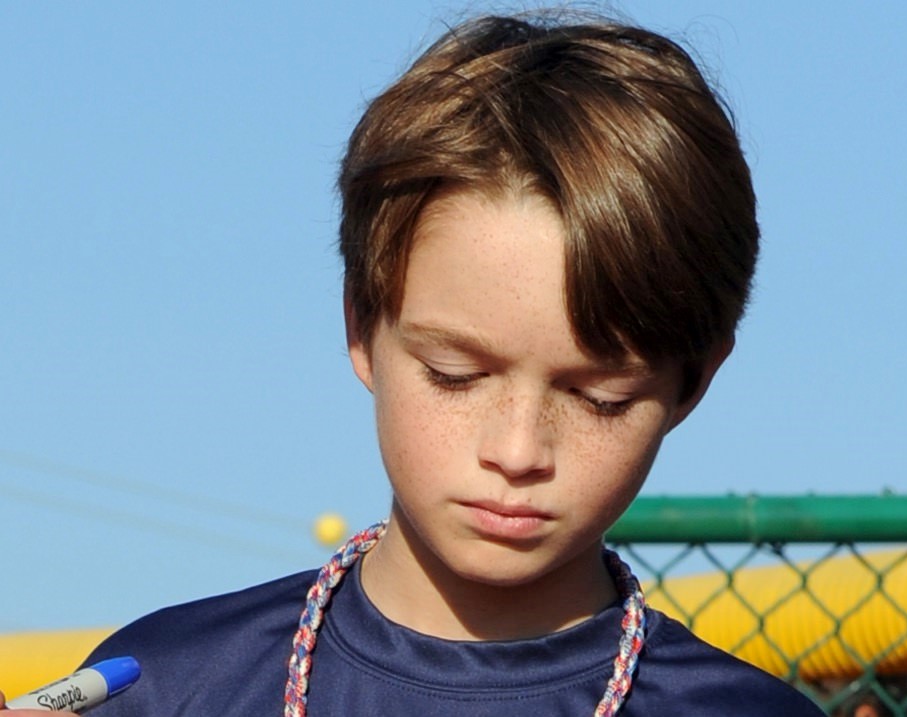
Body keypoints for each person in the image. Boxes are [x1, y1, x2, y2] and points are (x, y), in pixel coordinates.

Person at [2, 10, 824, 716]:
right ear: (362, 325)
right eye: (455, 375)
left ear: (694, 380)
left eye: (599, 395)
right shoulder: (169, 685)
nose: (517, 450)